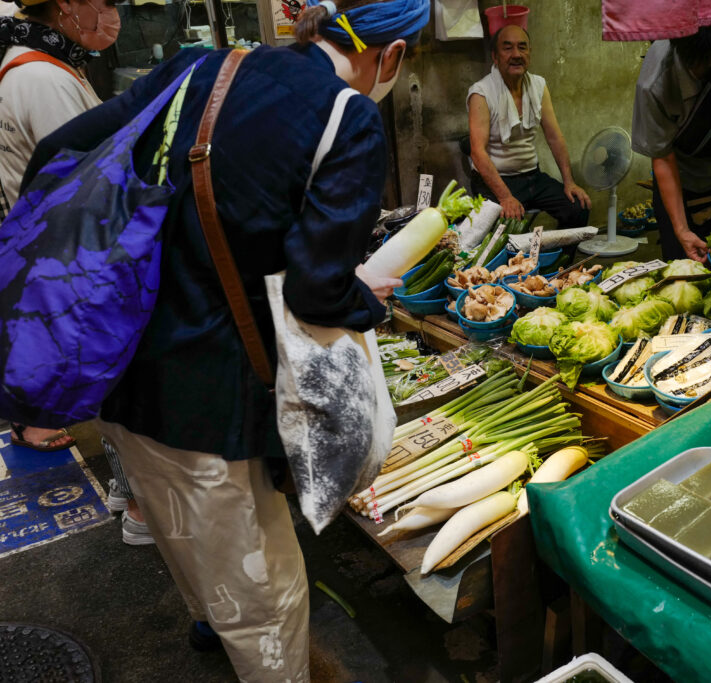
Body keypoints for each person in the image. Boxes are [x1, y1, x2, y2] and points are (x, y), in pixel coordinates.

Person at [21, 0, 422, 677]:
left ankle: (209, 624)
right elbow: (315, 289)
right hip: (208, 397)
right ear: (394, 55)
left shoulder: (198, 65)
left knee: (181, 535)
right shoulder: (345, 116)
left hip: (117, 368)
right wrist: (363, 298)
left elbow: (57, 153)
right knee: (266, 596)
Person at [0, 0, 117, 453]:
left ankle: (33, 419)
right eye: (105, 3)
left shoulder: (33, 60)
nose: (112, 14)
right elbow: (88, 176)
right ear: (69, 6)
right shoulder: (43, 77)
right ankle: (37, 422)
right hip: (60, 236)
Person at [631, 23, 711, 263]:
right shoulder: (654, 82)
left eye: (709, 61)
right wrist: (682, 230)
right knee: (686, 268)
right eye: (693, 63)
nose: (700, 69)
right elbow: (663, 157)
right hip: (682, 179)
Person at [467, 24, 591, 225]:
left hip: (532, 177)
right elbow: (477, 152)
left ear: (530, 53)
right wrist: (505, 197)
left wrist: (570, 182)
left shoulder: (538, 86)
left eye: (522, 47)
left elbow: (554, 137)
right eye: (507, 48)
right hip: (494, 181)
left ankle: (562, 257)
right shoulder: (481, 93)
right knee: (503, 227)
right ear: (495, 57)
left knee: (577, 207)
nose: (516, 54)